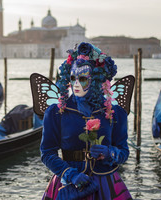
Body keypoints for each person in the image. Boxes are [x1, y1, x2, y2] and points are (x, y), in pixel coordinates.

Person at [40, 42, 132, 200]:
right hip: (69, 185)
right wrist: (70, 174)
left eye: (82, 78)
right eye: (73, 78)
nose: (76, 84)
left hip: (105, 185)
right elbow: (47, 153)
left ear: (96, 80)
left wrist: (110, 153)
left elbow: (123, 151)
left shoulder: (114, 113)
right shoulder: (57, 112)